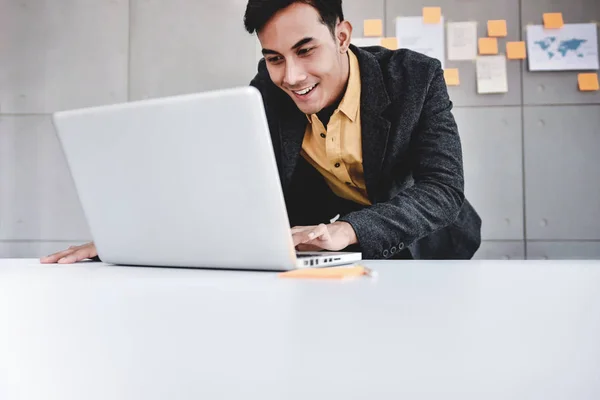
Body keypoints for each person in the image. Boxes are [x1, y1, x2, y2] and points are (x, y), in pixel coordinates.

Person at [42, 0, 481, 264]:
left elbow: (442, 190)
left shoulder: (414, 78)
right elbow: (229, 187)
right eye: (274, 58)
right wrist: (130, 241)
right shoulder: (265, 93)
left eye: (306, 50)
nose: (291, 76)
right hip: (334, 261)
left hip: (430, 247)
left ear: (342, 35)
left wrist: (349, 230)